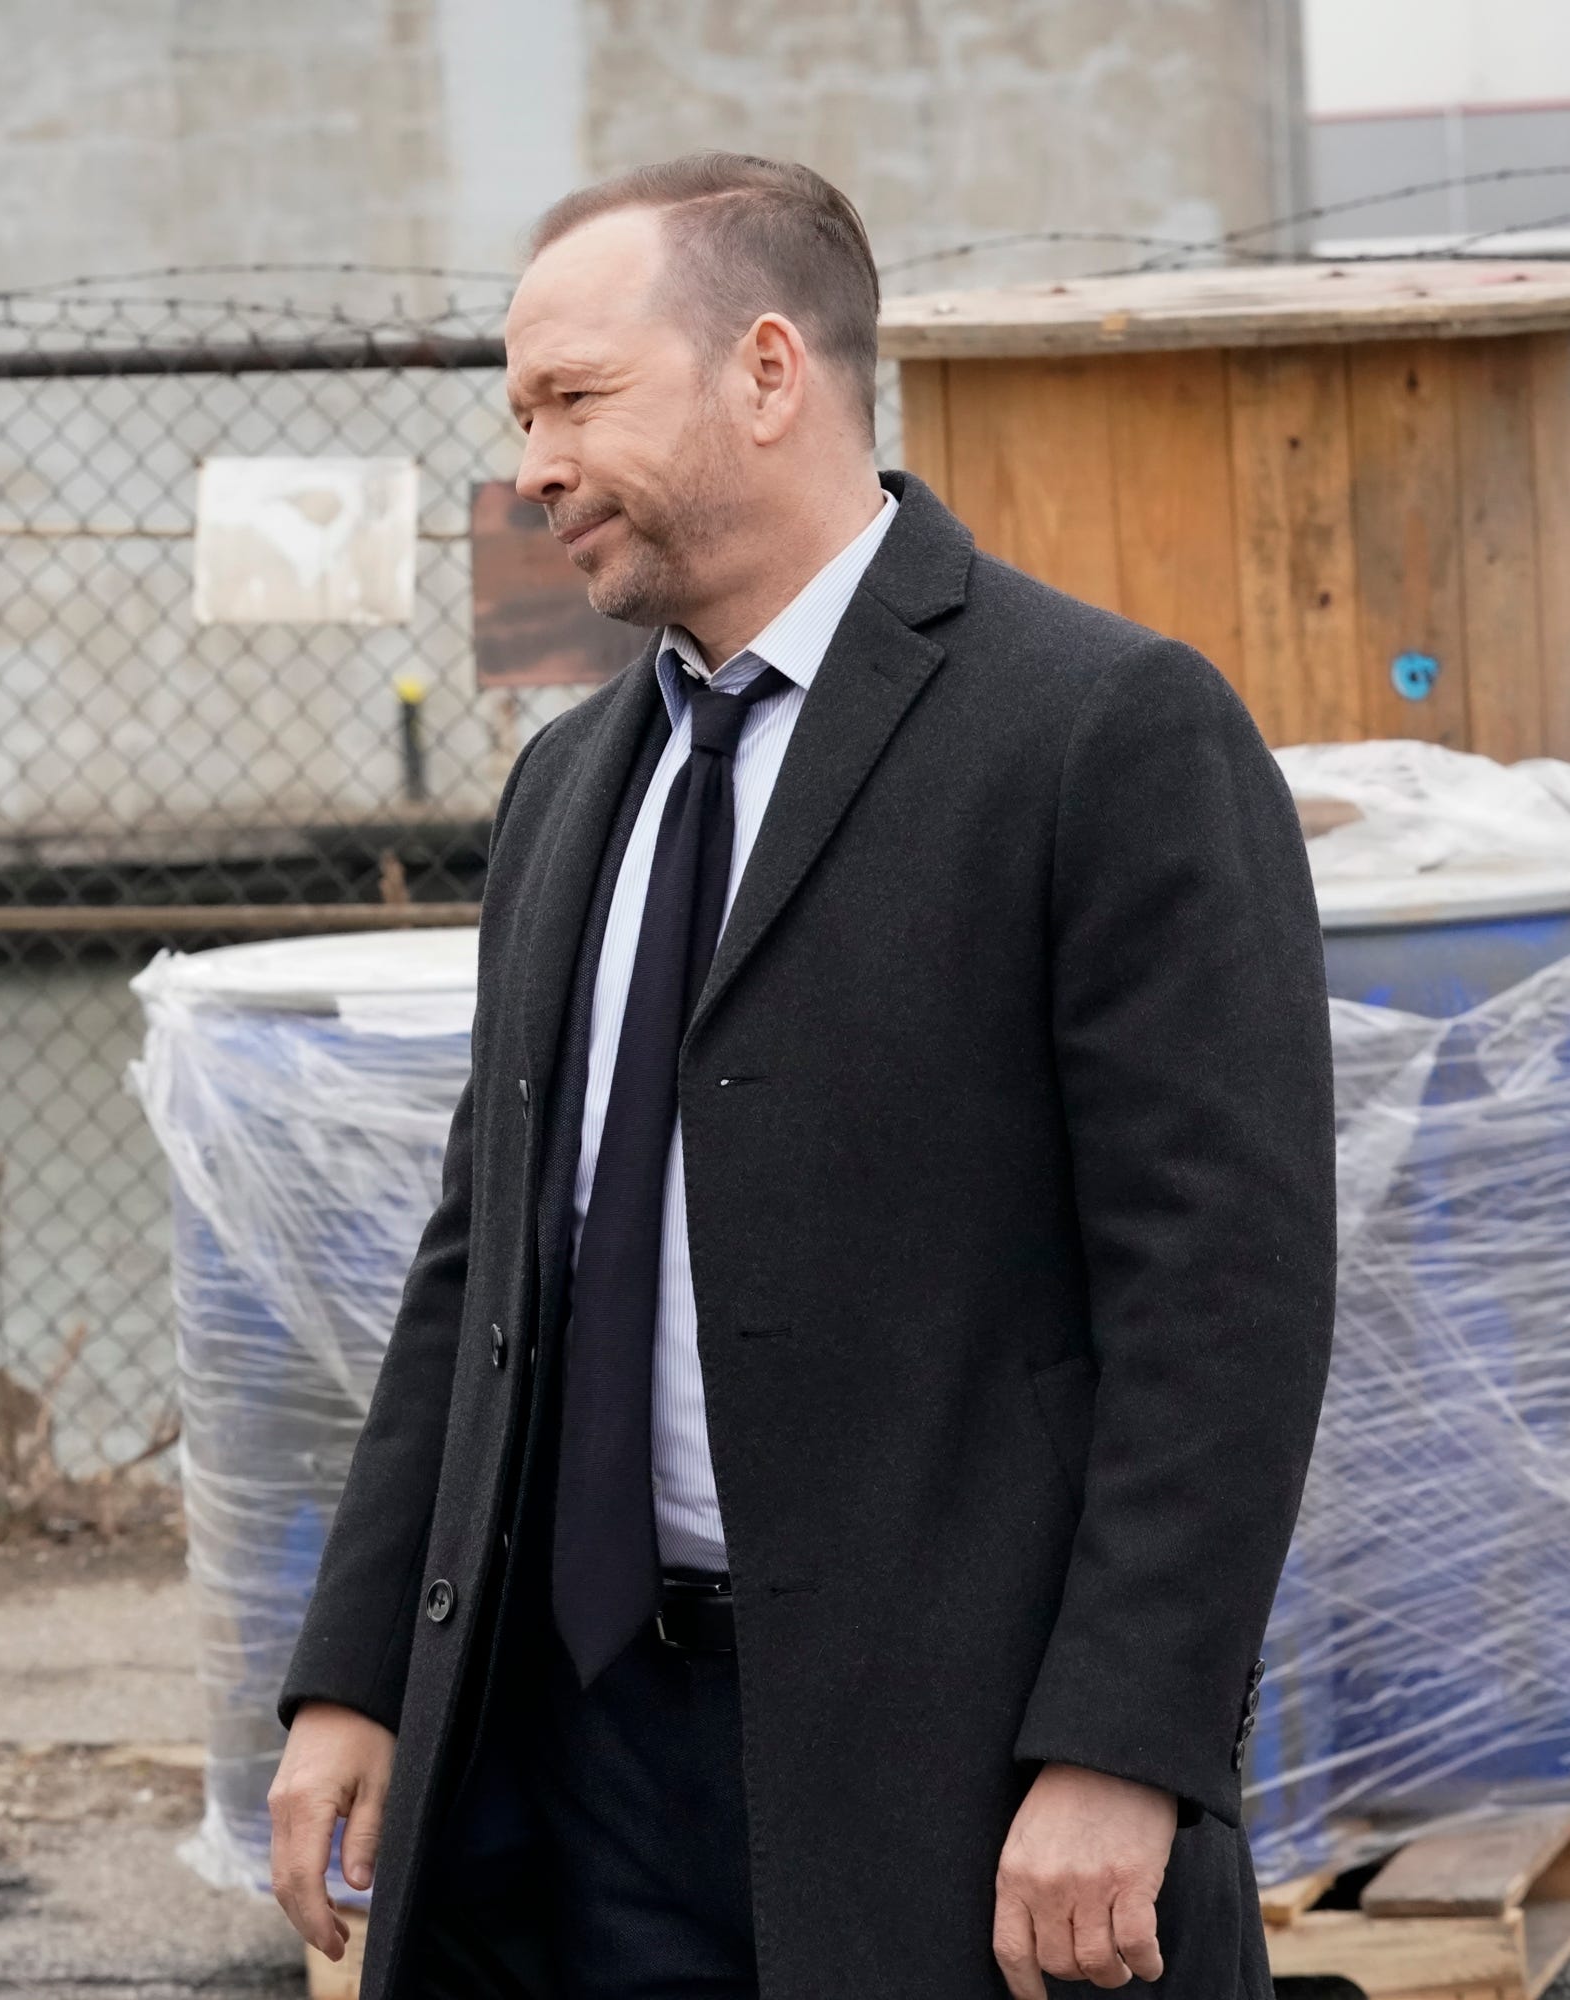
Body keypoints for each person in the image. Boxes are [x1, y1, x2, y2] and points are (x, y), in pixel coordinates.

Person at [264, 153, 1333, 2000]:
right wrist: (358, 1672)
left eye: (576, 399)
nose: (532, 465)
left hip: (962, 1783)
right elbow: (483, 1266)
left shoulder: (1104, 733)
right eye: (522, 412)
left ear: (770, 372)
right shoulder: (563, 788)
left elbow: (1224, 1296)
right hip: (576, 1763)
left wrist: (1126, 1744)